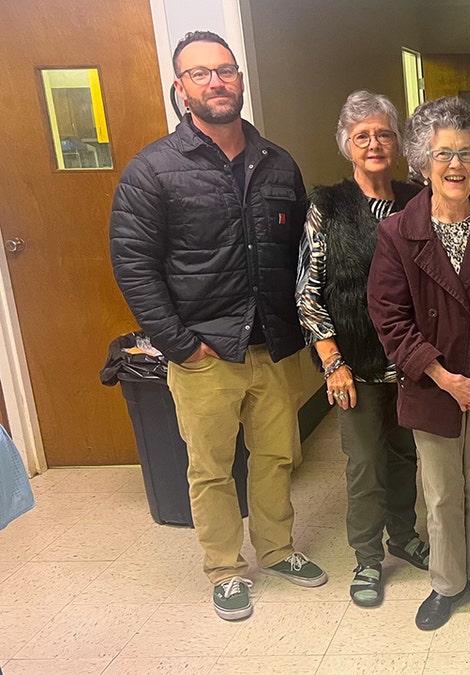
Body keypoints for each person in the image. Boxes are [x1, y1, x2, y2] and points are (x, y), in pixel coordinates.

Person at [110, 30, 326, 621]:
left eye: (225, 70)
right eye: (200, 73)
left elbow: (304, 256)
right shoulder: (153, 169)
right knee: (210, 468)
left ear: (240, 79)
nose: (217, 82)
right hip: (204, 351)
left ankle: (277, 550)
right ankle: (225, 569)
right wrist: (181, 344)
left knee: (278, 456)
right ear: (180, 88)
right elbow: (133, 265)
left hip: (275, 346)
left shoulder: (278, 163)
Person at [367, 96, 470, 631]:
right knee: (440, 495)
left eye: (466, 153)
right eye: (443, 154)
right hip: (434, 384)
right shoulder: (398, 231)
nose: (455, 165)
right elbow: (389, 317)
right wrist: (443, 378)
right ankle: (447, 583)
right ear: (421, 163)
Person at [296, 90, 428, 607]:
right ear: (347, 146)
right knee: (365, 462)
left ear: (397, 144)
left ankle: (405, 535)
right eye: (362, 136)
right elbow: (307, 292)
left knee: (404, 456)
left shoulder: (419, 199)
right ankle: (368, 558)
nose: (374, 144)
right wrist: (333, 364)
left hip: (412, 363)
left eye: (384, 134)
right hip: (354, 366)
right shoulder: (326, 206)